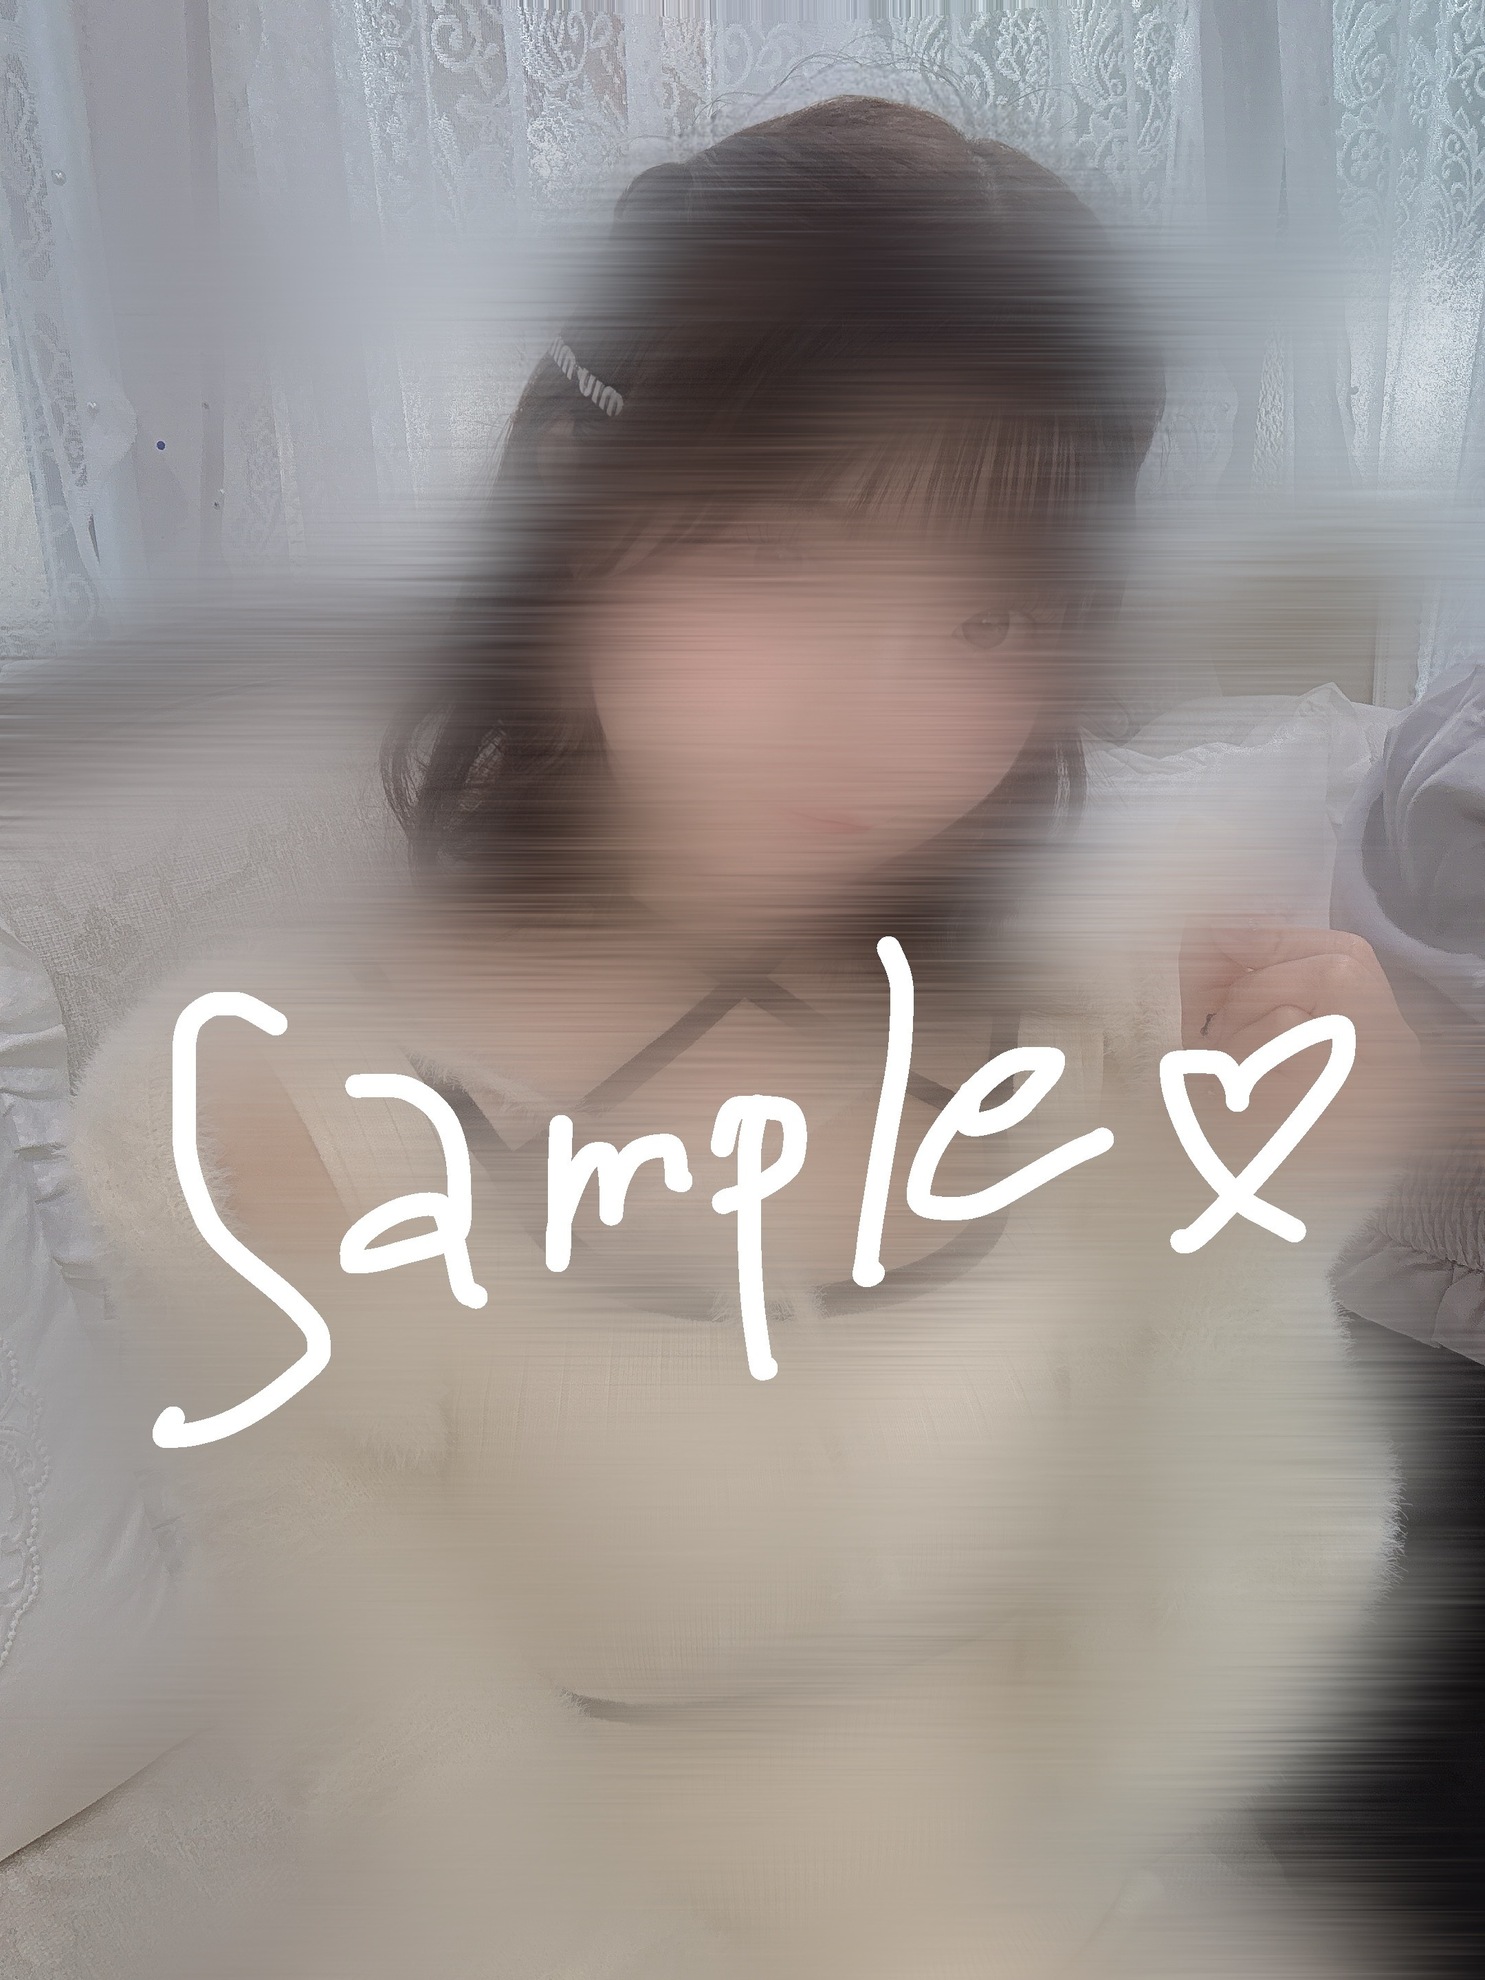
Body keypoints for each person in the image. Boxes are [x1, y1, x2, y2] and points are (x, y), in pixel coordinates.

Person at [71, 97, 1417, 1980]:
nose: (880, 712)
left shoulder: (1093, 998)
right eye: (781, 560)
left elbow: (1218, 1636)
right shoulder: (269, 1102)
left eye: (987, 613)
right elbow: (404, 1776)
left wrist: (1255, 1221)